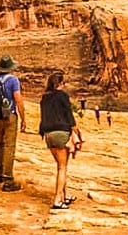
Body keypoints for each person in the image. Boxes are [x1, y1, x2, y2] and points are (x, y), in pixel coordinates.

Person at [39, 72, 83, 210]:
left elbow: (43, 117)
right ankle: (58, 200)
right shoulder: (62, 96)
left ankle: (65, 195)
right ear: (60, 84)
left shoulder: (44, 98)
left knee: (60, 166)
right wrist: (77, 133)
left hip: (48, 135)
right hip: (61, 133)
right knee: (62, 167)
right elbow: (69, 116)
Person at [0, 55, 26, 192]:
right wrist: (23, 118)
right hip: (9, 115)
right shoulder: (13, 80)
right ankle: (8, 178)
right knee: (9, 145)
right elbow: (18, 99)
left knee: (0, 141)